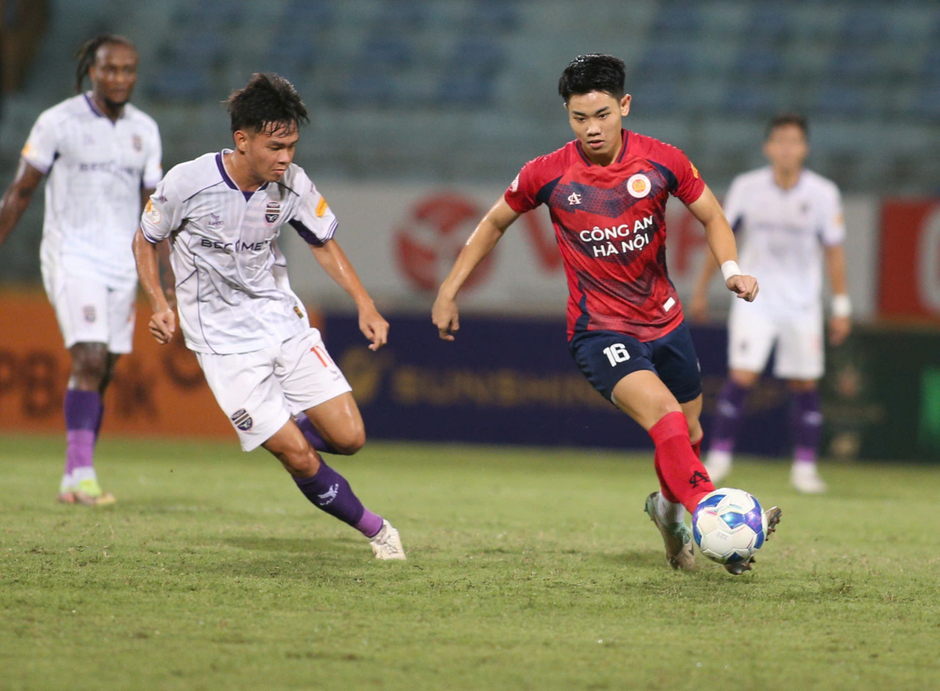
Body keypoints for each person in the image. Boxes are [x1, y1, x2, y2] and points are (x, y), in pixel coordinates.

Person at [432, 54, 780, 574]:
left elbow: (711, 214)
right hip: (600, 331)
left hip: (665, 322)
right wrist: (448, 289)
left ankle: (666, 510)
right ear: (567, 116)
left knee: (689, 433)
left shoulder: (663, 160)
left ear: (624, 106)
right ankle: (710, 510)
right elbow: (493, 223)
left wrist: (731, 269)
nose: (591, 129)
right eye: (579, 118)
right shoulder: (546, 173)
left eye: (601, 115)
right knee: (665, 418)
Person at [133, 73, 405, 560]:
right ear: (243, 140)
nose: (286, 157)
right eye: (276, 146)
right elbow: (146, 238)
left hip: (281, 322)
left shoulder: (294, 185)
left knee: (350, 438)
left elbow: (323, 243)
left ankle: (282, 425)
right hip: (222, 344)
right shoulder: (187, 182)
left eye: (292, 146)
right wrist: (158, 302)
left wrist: (365, 303)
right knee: (298, 455)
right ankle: (379, 533)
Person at [0, 35, 162, 506]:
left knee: (106, 367)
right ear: (92, 70)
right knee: (89, 357)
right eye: (110, 69)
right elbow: (22, 190)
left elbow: (155, 210)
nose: (119, 78)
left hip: (122, 262)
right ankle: (82, 475)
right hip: (71, 255)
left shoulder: (145, 130)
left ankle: (75, 479)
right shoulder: (58, 121)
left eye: (128, 70)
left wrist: (167, 277)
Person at [690, 114, 850, 494]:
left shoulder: (823, 193)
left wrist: (841, 306)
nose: (786, 148)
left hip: (802, 304)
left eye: (794, 141)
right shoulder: (748, 187)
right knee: (742, 375)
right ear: (768, 147)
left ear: (804, 148)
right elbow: (722, 234)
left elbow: (835, 252)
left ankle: (805, 467)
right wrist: (700, 290)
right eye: (779, 141)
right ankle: (720, 458)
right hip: (754, 298)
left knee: (804, 382)